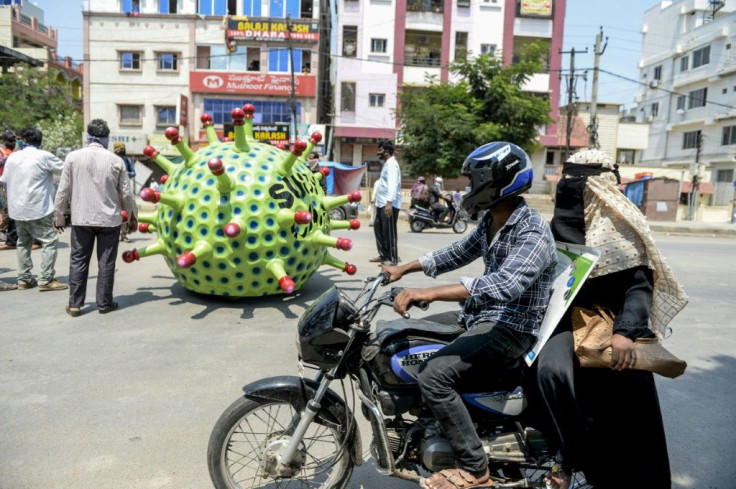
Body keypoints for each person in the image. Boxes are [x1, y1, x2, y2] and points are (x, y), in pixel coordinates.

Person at [382, 142, 557, 489]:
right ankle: (430, 426)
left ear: (497, 183)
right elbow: (457, 252)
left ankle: (475, 468)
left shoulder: (532, 230)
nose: (466, 189)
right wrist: (404, 269)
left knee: (434, 376)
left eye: (472, 181)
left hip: (510, 327)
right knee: (395, 336)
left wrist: (427, 293)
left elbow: (504, 285)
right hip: (481, 317)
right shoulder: (493, 219)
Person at [535, 149, 688, 489]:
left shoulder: (622, 230)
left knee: (628, 398)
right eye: (567, 181)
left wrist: (625, 333)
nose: (570, 189)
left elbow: (639, 288)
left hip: (613, 325)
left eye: (577, 183)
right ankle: (566, 457)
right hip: (563, 320)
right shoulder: (556, 226)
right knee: (550, 372)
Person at [53, 119, 138, 317]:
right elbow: (126, 194)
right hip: (109, 220)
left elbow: (63, 190)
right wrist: (133, 217)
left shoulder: (73, 157)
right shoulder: (116, 160)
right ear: (106, 138)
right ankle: (104, 303)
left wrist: (58, 215)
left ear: (88, 137)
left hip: (81, 217)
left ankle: (75, 305)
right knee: (106, 262)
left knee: (78, 260)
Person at [0, 128, 67, 291]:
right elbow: (65, 169)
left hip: (17, 209)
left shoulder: (13, 158)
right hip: (39, 207)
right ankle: (46, 279)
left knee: (23, 242)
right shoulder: (44, 156)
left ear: (22, 141)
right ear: (40, 141)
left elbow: (5, 180)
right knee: (49, 241)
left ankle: (24, 279)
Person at [370, 140, 401, 266]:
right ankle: (383, 255)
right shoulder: (387, 164)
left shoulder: (392, 164)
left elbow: (392, 184)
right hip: (381, 203)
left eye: (380, 150)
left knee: (389, 232)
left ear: (387, 151)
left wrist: (389, 203)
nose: (378, 152)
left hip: (389, 204)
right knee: (379, 229)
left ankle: (392, 258)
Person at [113, 142, 136, 243]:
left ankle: (124, 234)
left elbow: (133, 173)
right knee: (115, 212)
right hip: (113, 190)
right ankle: (114, 234)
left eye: (123, 148)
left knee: (127, 211)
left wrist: (127, 173)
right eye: (119, 148)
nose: (122, 150)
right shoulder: (111, 160)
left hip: (126, 189)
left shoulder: (127, 160)